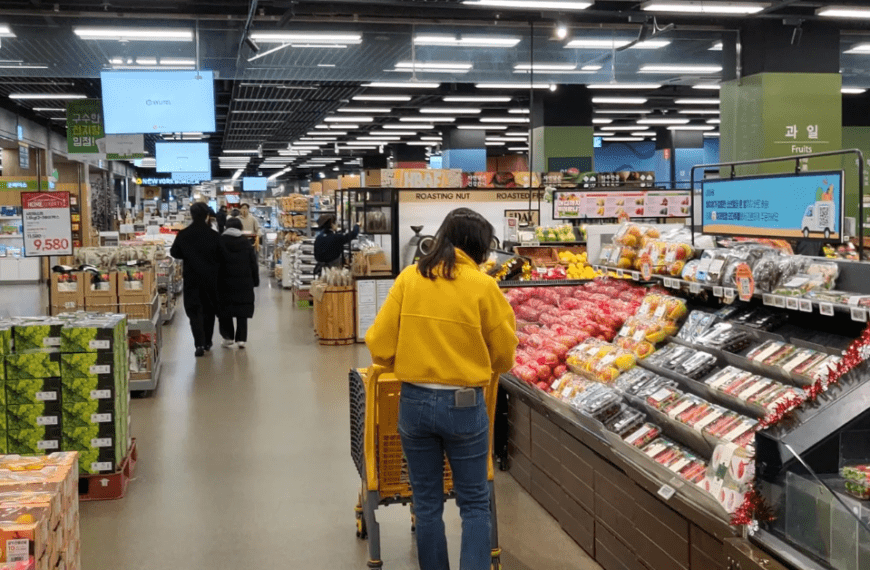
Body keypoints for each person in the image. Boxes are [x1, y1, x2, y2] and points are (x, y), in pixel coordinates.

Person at [365, 208, 518, 570]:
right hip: (464, 405)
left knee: (426, 502)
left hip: (413, 402)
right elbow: (504, 356)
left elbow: (379, 343)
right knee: (475, 502)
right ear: (477, 248)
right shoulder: (483, 286)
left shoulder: (409, 278)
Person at [170, 202, 223, 357]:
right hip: (210, 279)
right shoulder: (214, 236)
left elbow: (174, 252)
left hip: (191, 279)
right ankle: (207, 341)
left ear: (191, 215)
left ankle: (198, 343)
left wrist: (188, 256)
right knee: (209, 310)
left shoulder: (184, 234)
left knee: (194, 311)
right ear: (207, 215)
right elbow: (221, 256)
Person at [217, 217, 259, 349]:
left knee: (225, 310)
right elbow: (253, 263)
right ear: (240, 227)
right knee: (242, 310)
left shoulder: (220, 242)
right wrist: (255, 281)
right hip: (244, 281)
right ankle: (241, 339)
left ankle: (227, 337)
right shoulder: (246, 242)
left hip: (223, 282)